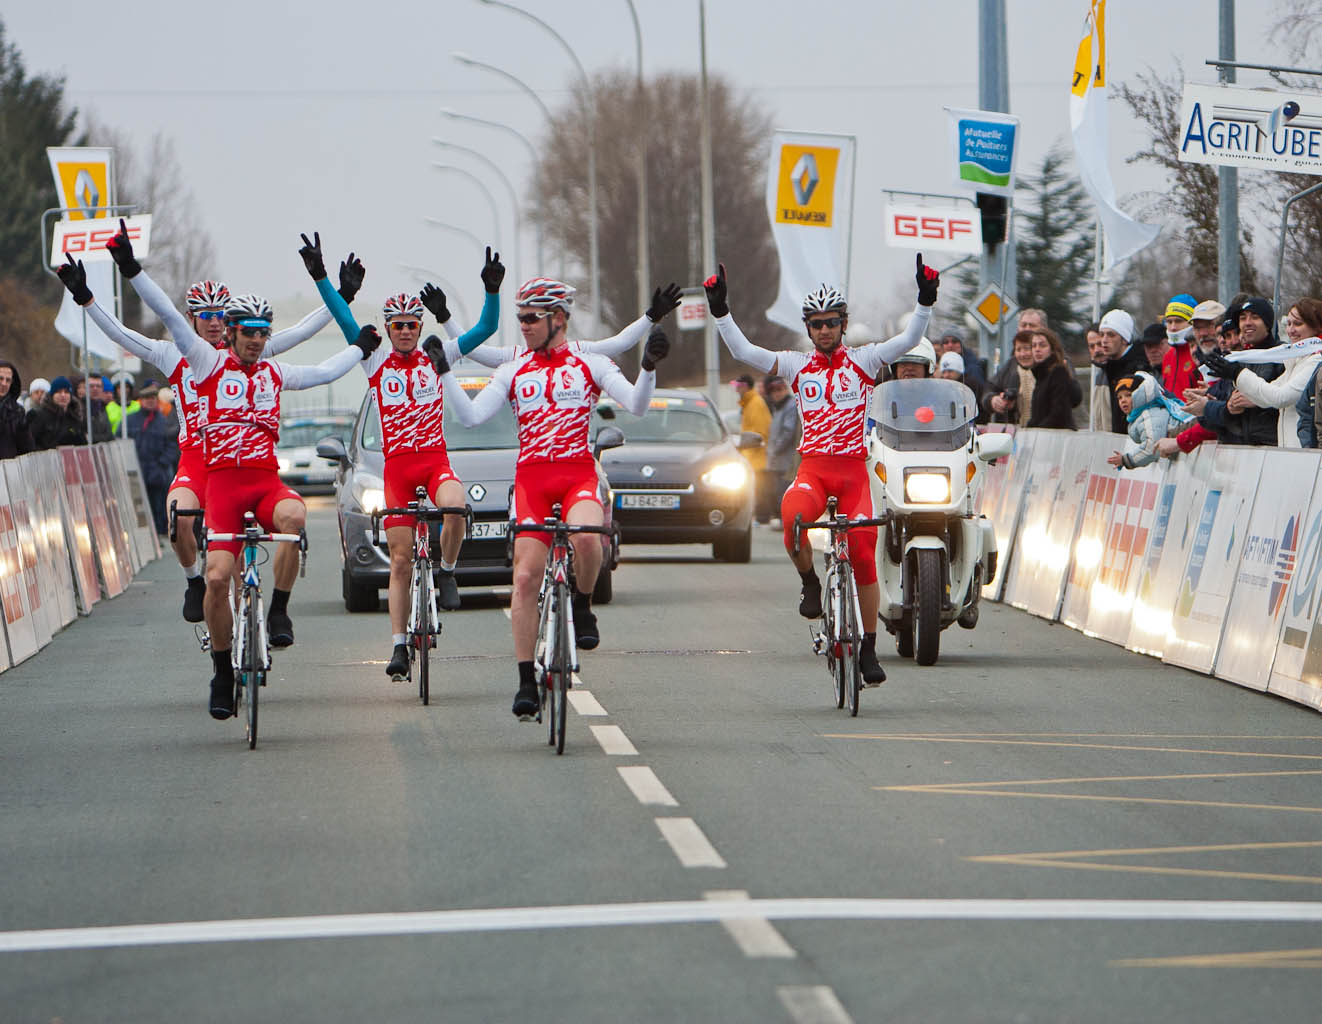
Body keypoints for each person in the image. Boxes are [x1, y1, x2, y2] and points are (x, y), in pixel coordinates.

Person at [57, 227, 358, 623]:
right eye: (206, 316)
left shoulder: (248, 349)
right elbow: (122, 334)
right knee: (179, 516)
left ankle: (247, 624)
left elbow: (301, 333)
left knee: (238, 561)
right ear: (192, 319)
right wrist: (87, 298)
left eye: (219, 315)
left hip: (244, 462)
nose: (214, 323)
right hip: (197, 460)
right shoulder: (177, 354)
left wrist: (341, 296)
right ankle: (193, 581)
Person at [436, 277, 672, 720]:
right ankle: (526, 679)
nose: (523, 325)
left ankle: (582, 604)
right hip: (532, 482)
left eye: (531, 318)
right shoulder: (513, 369)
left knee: (588, 538)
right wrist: (446, 373)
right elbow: (470, 417)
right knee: (525, 578)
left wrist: (648, 367)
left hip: (577, 475)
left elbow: (637, 405)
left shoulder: (590, 363)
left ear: (558, 318)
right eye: (520, 317)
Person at [704, 253, 940, 687]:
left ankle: (868, 648)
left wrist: (925, 301)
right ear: (809, 329)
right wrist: (721, 311)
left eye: (832, 322)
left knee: (863, 555)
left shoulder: (866, 360)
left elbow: (909, 339)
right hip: (813, 470)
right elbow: (744, 351)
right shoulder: (796, 365)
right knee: (793, 519)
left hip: (853, 474)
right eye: (817, 324)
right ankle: (810, 582)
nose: (825, 330)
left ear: (843, 324)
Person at [302, 232, 502, 677]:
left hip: (434, 463)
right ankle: (397, 646)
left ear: (421, 327)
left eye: (413, 324)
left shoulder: (439, 355)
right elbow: (342, 318)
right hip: (396, 470)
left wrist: (491, 291)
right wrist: (322, 277)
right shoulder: (374, 360)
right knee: (399, 559)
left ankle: (447, 571)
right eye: (399, 326)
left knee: (456, 506)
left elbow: (485, 330)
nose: (407, 331)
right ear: (389, 329)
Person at [170, 291, 369, 720]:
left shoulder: (274, 372)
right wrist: (128, 273)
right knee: (217, 579)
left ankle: (278, 610)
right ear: (231, 332)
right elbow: (167, 315)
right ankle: (221, 673)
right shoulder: (207, 364)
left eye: (263, 333)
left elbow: (323, 371)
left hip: (264, 485)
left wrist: (359, 348)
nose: (257, 340)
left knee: (295, 518)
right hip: (222, 489)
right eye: (249, 332)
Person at [1202, 296, 1322, 449]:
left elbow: (1280, 397)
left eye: (1298, 324)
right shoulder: (1295, 360)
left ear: (1316, 327)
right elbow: (1269, 393)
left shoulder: (1316, 360)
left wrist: (1237, 373)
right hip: (1287, 452)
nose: (1291, 330)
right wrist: (1232, 394)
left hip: (1305, 452)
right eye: (1289, 324)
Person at [1105, 372, 1193, 470]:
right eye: (1120, 397)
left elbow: (1152, 448)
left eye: (1128, 395)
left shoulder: (1150, 414)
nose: (1123, 400)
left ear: (1140, 394)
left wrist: (1126, 460)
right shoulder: (1141, 416)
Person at [125, 385, 179, 534]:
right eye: (146, 398)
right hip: (136, 470)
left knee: (159, 505)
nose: (150, 401)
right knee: (138, 505)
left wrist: (162, 464)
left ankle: (159, 533)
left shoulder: (164, 421)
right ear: (141, 400)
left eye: (153, 398)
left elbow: (172, 446)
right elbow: (121, 440)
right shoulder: (130, 420)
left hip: (158, 471)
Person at [1098, 309, 1146, 434]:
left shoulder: (1140, 368)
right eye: (1102, 334)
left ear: (1125, 339)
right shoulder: (1109, 367)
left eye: (1111, 335)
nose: (1104, 340)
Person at [732, 372, 772, 522]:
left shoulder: (755, 404)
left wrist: (749, 447)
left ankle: (762, 517)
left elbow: (760, 433)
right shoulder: (749, 403)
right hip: (751, 456)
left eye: (738, 386)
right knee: (756, 489)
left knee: (760, 489)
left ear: (746, 387)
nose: (736, 390)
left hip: (757, 457)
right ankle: (759, 516)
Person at [762, 373, 800, 527]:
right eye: (773, 391)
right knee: (777, 492)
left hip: (786, 460)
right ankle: (783, 519)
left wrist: (774, 449)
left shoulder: (789, 406)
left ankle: (787, 521)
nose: (777, 394)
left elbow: (787, 432)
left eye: (780, 390)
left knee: (784, 492)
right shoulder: (778, 407)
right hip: (777, 461)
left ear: (785, 390)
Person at [1025, 327, 1077, 429]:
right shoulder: (1040, 375)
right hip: (1043, 433)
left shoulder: (1058, 372)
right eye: (1034, 346)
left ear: (1052, 349)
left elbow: (1059, 413)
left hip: (1056, 434)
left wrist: (1038, 430)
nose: (1037, 349)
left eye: (1042, 345)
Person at [981, 331, 1034, 425]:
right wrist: (992, 399)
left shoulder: (1050, 371)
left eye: (1027, 349)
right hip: (1012, 428)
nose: (1022, 354)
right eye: (1018, 350)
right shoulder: (1011, 366)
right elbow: (990, 387)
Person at [28, 376, 85, 449]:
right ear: (52, 395)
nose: (63, 395)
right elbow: (31, 442)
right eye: (59, 392)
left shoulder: (75, 417)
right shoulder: (41, 416)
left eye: (66, 392)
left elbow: (83, 445)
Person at [1161, 293, 1200, 396]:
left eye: (1178, 321)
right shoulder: (1167, 357)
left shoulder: (1199, 353)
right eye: (1169, 322)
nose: (1173, 327)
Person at [0, 361, 34, 459]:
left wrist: (24, 429)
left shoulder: (17, 411)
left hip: (9, 466)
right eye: (0, 378)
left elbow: (27, 450)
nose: (4, 384)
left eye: (8, 380)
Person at [1085, 324, 1112, 432]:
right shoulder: (1098, 377)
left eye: (1099, 344)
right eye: (1092, 346)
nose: (1096, 350)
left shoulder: (1120, 374)